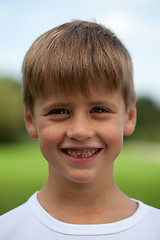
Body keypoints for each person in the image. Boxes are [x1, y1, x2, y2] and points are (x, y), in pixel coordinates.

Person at [0, 20, 160, 240]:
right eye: (59, 111)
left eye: (99, 109)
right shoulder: (7, 230)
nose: (80, 131)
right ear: (30, 120)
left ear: (129, 117)